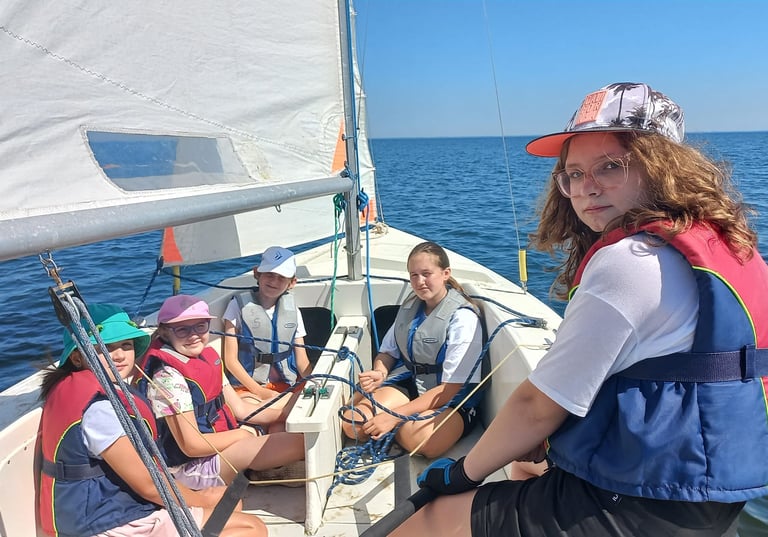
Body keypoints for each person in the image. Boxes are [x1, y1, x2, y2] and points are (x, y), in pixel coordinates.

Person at [393, 82, 768, 536]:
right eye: (572, 173)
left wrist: (461, 473)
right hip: (710, 490)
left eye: (610, 167)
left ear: (663, 167)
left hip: (643, 501)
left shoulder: (632, 260)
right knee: (526, 468)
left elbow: (536, 407)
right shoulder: (731, 244)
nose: (585, 189)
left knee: (429, 521)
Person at [38, 303, 264, 537]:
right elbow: (148, 485)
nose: (119, 356)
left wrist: (200, 499)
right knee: (252, 528)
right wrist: (200, 501)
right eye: (104, 349)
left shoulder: (85, 391)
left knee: (229, 501)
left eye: (126, 345)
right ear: (77, 357)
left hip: (112, 506)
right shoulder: (100, 410)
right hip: (106, 522)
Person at [135, 294, 304, 490]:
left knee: (284, 407)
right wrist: (242, 436)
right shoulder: (167, 378)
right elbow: (192, 446)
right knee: (299, 442)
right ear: (165, 333)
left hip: (220, 437)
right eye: (182, 329)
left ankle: (261, 468)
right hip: (191, 467)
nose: (193, 335)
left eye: (200, 326)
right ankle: (260, 467)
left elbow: (240, 409)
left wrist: (283, 414)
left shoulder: (206, 356)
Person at [342, 241, 483, 458]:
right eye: (414, 275)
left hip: (452, 400)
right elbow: (388, 353)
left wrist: (394, 416)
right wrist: (380, 372)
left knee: (422, 441)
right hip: (410, 384)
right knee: (353, 424)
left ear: (445, 274)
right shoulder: (411, 308)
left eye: (426, 274)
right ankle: (397, 427)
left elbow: (450, 389)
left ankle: (396, 428)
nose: (419, 281)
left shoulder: (463, 318)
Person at [222, 246, 311, 402]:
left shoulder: (293, 311)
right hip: (249, 388)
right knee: (271, 409)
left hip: (287, 385)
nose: (274, 281)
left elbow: (302, 360)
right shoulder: (237, 306)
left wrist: (314, 382)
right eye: (269, 274)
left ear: (292, 282)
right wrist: (259, 391)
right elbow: (230, 361)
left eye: (281, 277)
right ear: (257, 273)